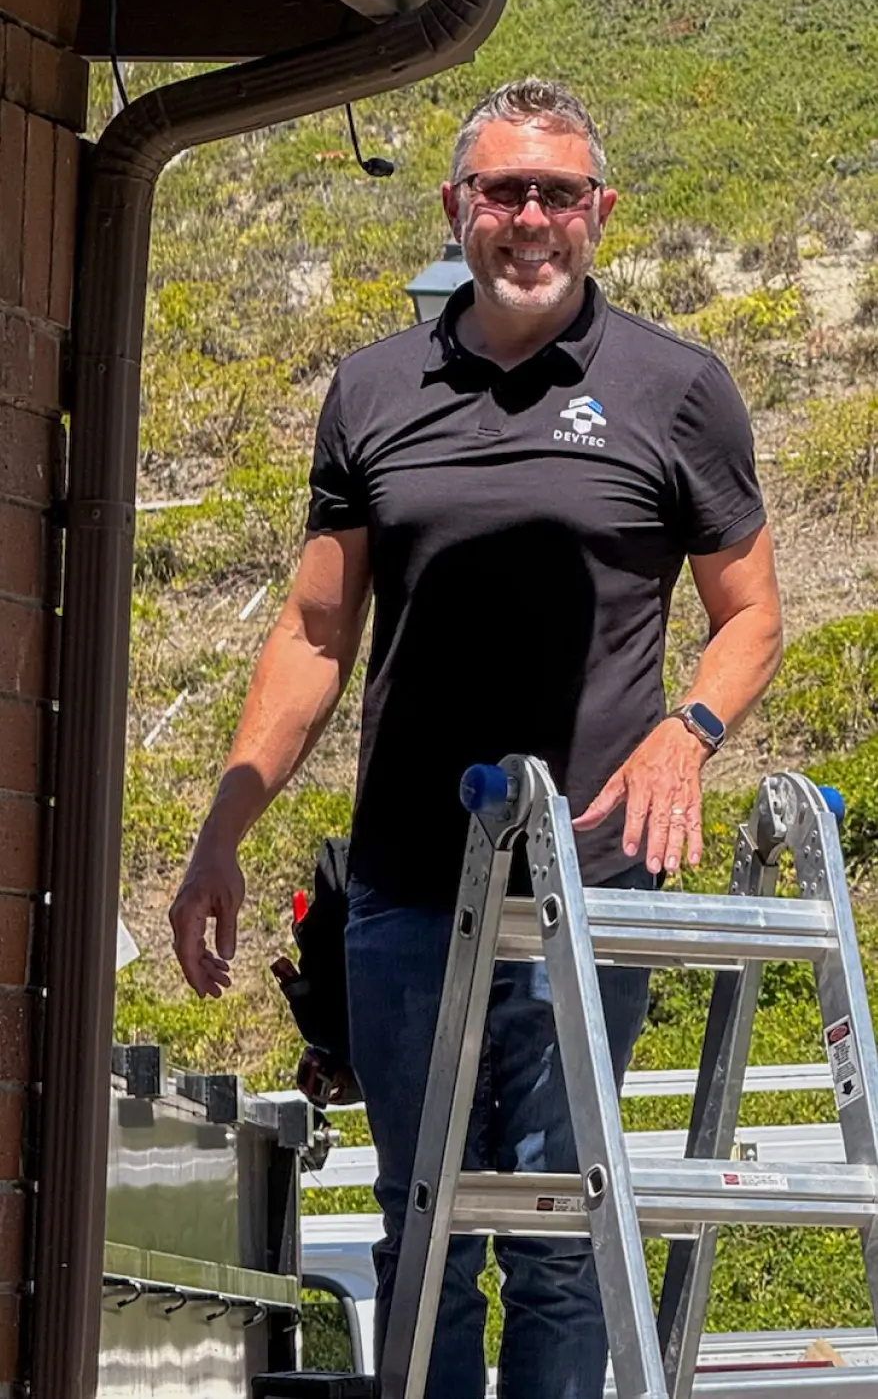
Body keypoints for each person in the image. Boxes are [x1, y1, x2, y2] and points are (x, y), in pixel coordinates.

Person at [170, 77, 783, 1399]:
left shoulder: (677, 388)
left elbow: (749, 617)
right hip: (403, 886)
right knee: (427, 1226)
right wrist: (221, 831)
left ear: (598, 213)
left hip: (588, 883)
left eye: (557, 193)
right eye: (502, 190)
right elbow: (316, 631)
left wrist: (686, 732)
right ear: (458, 206)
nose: (529, 218)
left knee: (559, 1238)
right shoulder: (374, 387)